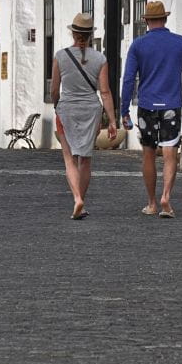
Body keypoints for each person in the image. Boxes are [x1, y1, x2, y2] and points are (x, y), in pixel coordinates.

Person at [121, 1, 182, 219]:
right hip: (171, 105)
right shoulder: (180, 43)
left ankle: (152, 203)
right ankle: (166, 197)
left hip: (147, 105)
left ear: (146, 20)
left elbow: (128, 79)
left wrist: (124, 110)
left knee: (148, 153)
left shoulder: (138, 45)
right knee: (169, 154)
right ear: (165, 19)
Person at [51, 13, 117, 220]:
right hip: (91, 110)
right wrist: (112, 120)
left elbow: (54, 89)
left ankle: (77, 198)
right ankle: (82, 201)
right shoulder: (100, 59)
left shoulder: (60, 57)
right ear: (90, 35)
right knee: (85, 159)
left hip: (67, 109)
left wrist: (57, 106)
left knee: (69, 158)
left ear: (74, 33)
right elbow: (105, 92)